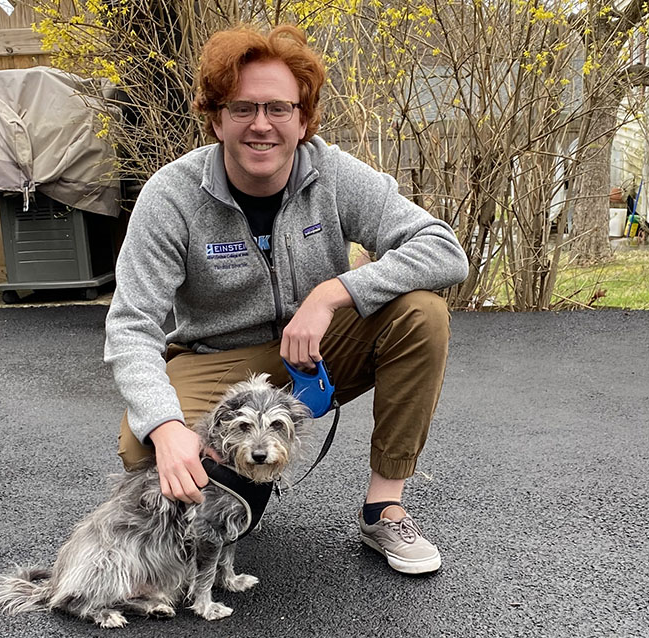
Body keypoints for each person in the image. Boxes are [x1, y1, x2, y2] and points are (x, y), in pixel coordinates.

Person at [103, 24, 468, 575]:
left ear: (303, 118)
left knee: (422, 312)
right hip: (218, 361)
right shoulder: (170, 196)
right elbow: (132, 326)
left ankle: (383, 506)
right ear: (217, 116)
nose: (261, 124)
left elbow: (444, 250)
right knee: (144, 447)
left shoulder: (335, 174)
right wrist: (167, 427)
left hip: (314, 352)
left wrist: (333, 292)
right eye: (243, 107)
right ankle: (242, 485)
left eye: (279, 107)